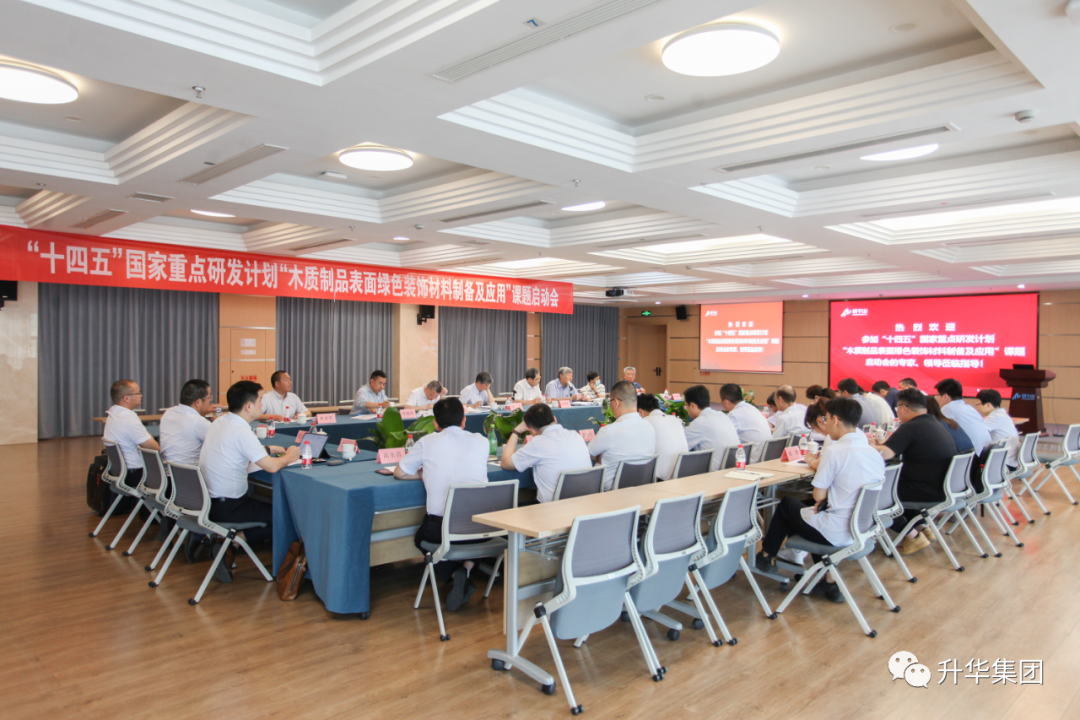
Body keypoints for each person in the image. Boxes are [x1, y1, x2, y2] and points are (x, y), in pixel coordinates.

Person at [756, 398, 884, 603]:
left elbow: (818, 496)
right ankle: (828, 581)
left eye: (827, 418)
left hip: (836, 532)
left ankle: (766, 555)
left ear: (835, 420)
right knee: (806, 511)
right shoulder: (873, 453)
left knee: (788, 504)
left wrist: (823, 499)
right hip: (862, 529)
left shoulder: (835, 452)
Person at [199, 381, 300, 582]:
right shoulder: (241, 431)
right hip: (230, 507)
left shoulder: (220, 422)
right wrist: (290, 456)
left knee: (271, 507)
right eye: (260, 400)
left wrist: (269, 449)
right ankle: (235, 541)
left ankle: (230, 543)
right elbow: (272, 467)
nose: (262, 404)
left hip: (207, 501)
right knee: (288, 514)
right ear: (248, 406)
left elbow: (236, 450)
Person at [396, 397, 490, 610]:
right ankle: (465, 570)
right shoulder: (481, 441)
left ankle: (453, 573)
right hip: (480, 527)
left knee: (421, 539)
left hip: (441, 530)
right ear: (464, 421)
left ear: (435, 424)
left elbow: (399, 473)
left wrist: (423, 473)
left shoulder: (426, 442)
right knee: (479, 537)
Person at [869, 389, 958, 555]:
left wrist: (870, 447)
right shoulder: (934, 423)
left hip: (924, 490)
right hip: (940, 487)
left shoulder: (911, 427)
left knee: (873, 496)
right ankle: (921, 527)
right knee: (896, 487)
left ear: (904, 408)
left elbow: (885, 454)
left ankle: (912, 536)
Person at [501, 403, 591, 502]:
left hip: (553, 507)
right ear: (555, 419)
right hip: (585, 502)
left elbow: (506, 463)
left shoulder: (538, 442)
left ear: (532, 431)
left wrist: (517, 431)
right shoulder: (575, 435)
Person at [587, 381, 656, 490]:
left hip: (608, 494)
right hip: (642, 490)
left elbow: (587, 453)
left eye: (610, 401)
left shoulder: (609, 431)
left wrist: (597, 455)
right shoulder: (650, 428)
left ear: (616, 402)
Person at [103, 379, 159, 485]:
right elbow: (153, 447)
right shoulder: (128, 418)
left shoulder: (113, 414)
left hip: (119, 472)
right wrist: (151, 439)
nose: (141, 395)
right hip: (136, 475)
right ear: (126, 398)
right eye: (138, 393)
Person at [683, 385, 740, 472]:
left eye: (686, 406)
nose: (686, 409)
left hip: (713, 474)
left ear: (693, 405)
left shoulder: (700, 422)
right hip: (732, 470)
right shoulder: (722, 415)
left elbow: (681, 446)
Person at [159, 379, 214, 466]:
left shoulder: (168, 412)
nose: (209, 401)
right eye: (209, 398)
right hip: (189, 473)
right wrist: (219, 423)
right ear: (198, 402)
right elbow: (222, 443)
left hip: (167, 471)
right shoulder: (198, 421)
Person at [637, 393, 688, 480]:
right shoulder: (675, 419)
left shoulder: (645, 422)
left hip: (660, 480)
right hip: (683, 475)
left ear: (640, 412)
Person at [934, 378, 991, 455]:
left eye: (937, 395)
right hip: (984, 454)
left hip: (972, 456)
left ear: (945, 397)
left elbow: (939, 435)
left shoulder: (947, 408)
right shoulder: (969, 408)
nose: (936, 399)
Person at [718, 383, 771, 463]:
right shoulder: (752, 408)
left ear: (725, 401)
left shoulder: (734, 415)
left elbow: (721, 438)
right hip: (765, 458)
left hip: (751, 461)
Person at [976, 389, 1020, 469]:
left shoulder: (995, 417)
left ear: (988, 405)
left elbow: (976, 431)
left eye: (978, 403)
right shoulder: (1002, 415)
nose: (977, 407)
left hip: (1004, 464)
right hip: (1009, 461)